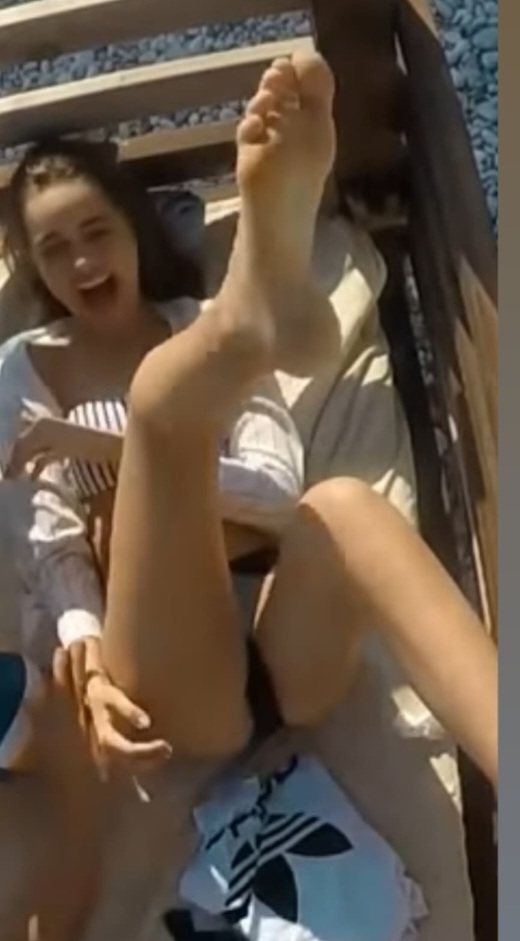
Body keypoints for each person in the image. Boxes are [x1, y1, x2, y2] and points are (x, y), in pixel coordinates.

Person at [0, 52, 497, 941]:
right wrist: (85, 653)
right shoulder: (23, 367)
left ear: (132, 229)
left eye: (94, 230)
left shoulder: (184, 329)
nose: (80, 259)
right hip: (167, 670)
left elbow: (274, 488)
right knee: (152, 436)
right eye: (53, 247)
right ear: (32, 266)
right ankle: (255, 315)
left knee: (342, 505)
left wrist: (103, 445)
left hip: (279, 631)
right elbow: (47, 540)